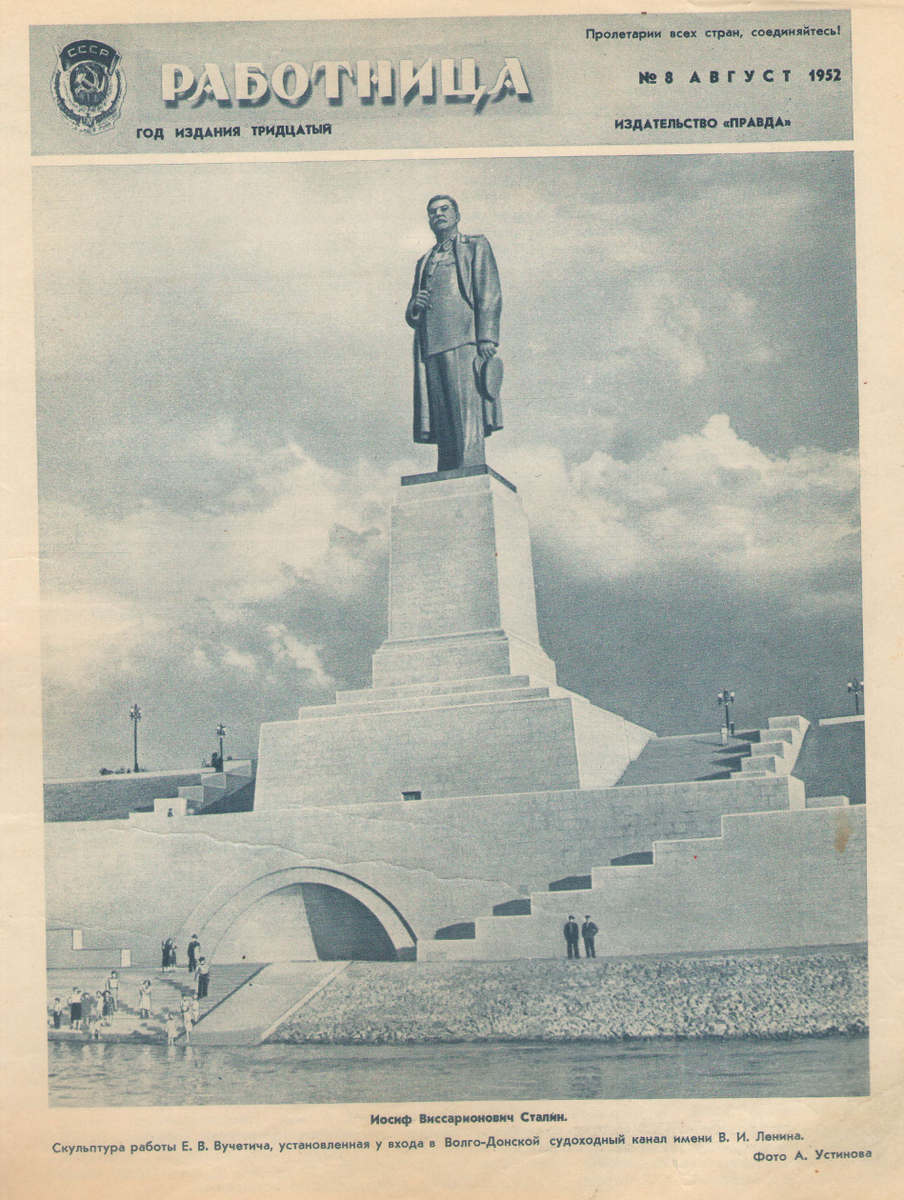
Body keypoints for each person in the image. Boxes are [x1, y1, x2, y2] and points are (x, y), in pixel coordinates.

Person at [406, 195, 502, 472]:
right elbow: (412, 313)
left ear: (457, 216)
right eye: (432, 212)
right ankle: (448, 467)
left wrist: (486, 336)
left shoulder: (475, 245)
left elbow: (489, 291)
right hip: (431, 344)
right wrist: (415, 306)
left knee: (467, 407)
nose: (438, 214)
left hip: (464, 338)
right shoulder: (424, 260)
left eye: (444, 209)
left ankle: (469, 463)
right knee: (441, 411)